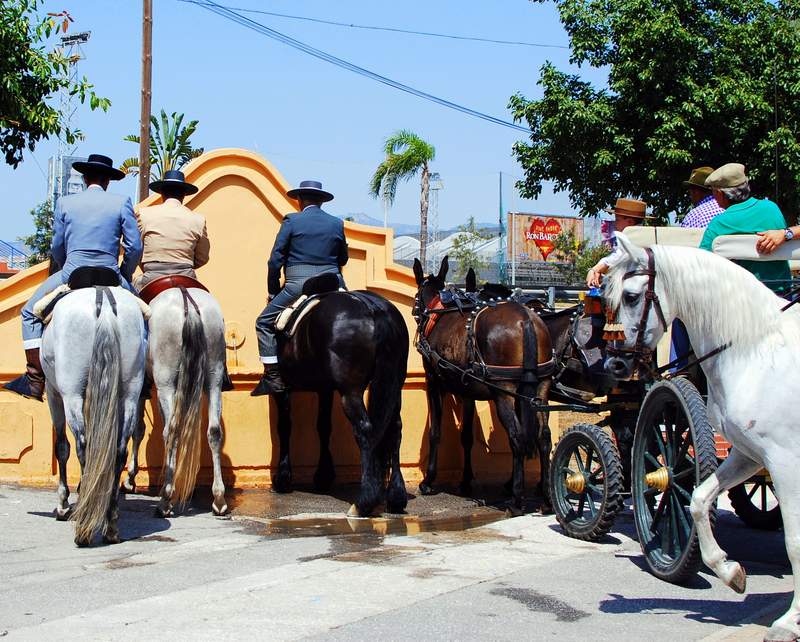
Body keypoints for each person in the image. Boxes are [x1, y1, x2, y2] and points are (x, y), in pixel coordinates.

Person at [4, 154, 142, 401]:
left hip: (73, 272)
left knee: (28, 313)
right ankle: (143, 378)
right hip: (111, 274)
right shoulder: (122, 202)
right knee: (145, 318)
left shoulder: (65, 203)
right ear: (108, 181)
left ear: (85, 177)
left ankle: (35, 380)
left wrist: (66, 264)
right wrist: (125, 274)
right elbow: (134, 248)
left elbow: (57, 246)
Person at [252, 180, 349, 396]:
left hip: (299, 284)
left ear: (299, 200)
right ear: (322, 202)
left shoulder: (292, 220)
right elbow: (343, 257)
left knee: (263, 323)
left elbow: (275, 260)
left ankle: (273, 376)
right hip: (334, 283)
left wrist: (272, 290)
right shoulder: (336, 223)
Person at [700, 163, 791, 293]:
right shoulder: (772, 208)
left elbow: (702, 264)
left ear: (720, 194)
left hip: (743, 300)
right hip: (783, 297)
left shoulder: (719, 223)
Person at [134, 169, 209, 290]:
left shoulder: (144, 214)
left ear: (162, 193)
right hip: (186, 276)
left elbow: (135, 249)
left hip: (151, 276)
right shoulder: (198, 219)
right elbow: (203, 258)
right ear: (184, 194)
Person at [586, 198, 650, 287]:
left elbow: (618, 257)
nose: (615, 223)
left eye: (617, 219)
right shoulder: (642, 237)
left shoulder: (635, 241)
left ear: (630, 222)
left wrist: (595, 269)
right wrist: (599, 269)